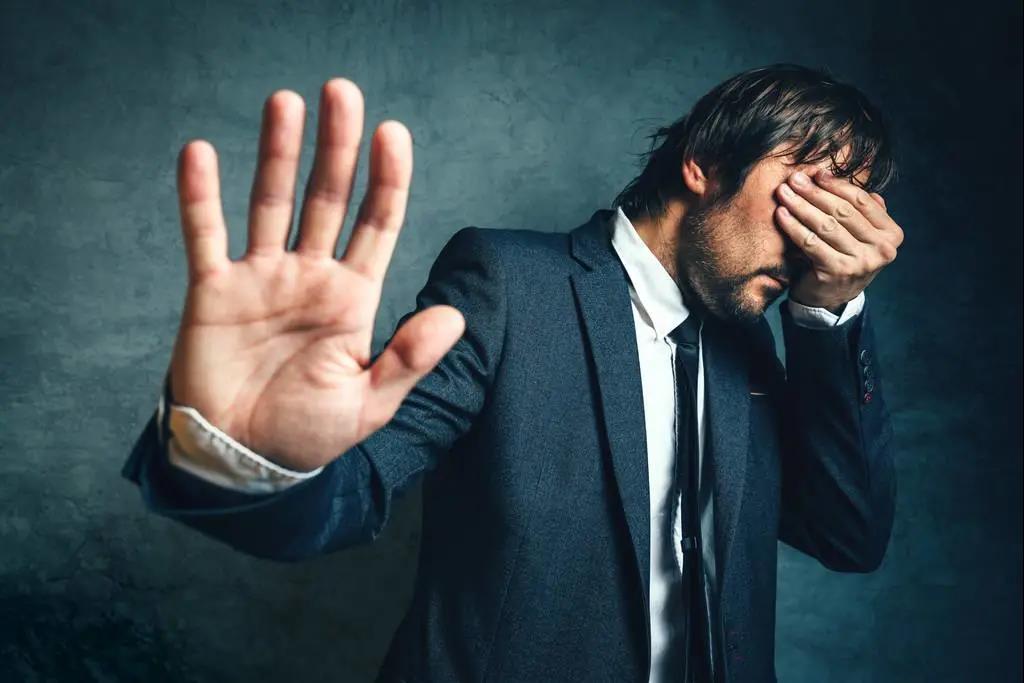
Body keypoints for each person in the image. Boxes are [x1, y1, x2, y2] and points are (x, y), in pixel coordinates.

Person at [122, 63, 902, 682]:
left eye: (846, 214)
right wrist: (250, 450)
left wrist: (829, 315)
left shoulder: (751, 343)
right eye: (808, 195)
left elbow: (847, 534)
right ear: (704, 163)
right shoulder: (508, 285)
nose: (817, 241)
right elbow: (353, 491)